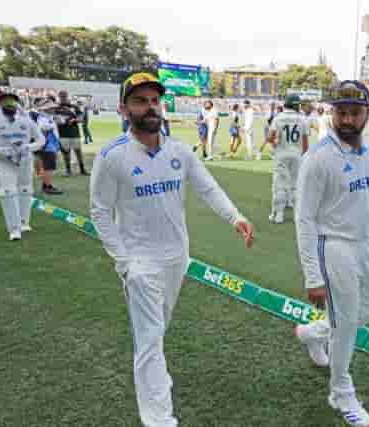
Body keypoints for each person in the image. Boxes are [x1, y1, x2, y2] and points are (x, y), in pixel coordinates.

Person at [90, 72, 254, 427]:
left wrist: (235, 217)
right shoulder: (112, 156)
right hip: (140, 263)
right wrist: (124, 263)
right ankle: (158, 418)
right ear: (123, 108)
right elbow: (100, 212)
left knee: (157, 330)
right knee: (149, 340)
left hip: (177, 257)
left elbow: (207, 187)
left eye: (154, 100)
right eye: (140, 101)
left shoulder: (178, 150)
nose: (150, 108)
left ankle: (156, 383)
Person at [294, 80, 369, 427]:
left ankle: (314, 333)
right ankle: (341, 392)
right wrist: (313, 277)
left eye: (355, 112)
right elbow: (304, 219)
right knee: (347, 322)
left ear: (367, 114)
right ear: (332, 113)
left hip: (366, 242)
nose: (348, 119)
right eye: (342, 112)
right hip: (334, 246)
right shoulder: (318, 159)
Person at [0, 92, 44, 240]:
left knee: (25, 189)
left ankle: (24, 222)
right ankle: (14, 229)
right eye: (5, 102)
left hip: (25, 160)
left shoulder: (27, 122)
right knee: (7, 191)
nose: (9, 105)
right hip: (3, 162)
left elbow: (41, 139)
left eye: (12, 102)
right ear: (0, 105)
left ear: (17, 104)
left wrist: (28, 147)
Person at [266, 94, 309, 224]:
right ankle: (297, 215)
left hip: (281, 153)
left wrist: (274, 142)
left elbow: (269, 137)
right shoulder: (302, 119)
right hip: (296, 154)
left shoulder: (278, 118)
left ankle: (278, 215)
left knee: (280, 184)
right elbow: (306, 144)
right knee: (296, 186)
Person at [29, 98, 64, 195]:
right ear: (46, 109)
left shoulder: (47, 117)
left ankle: (47, 185)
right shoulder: (43, 118)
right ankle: (47, 186)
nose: (53, 109)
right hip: (48, 145)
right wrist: (52, 125)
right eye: (51, 108)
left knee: (48, 167)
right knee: (49, 167)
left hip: (49, 145)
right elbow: (43, 129)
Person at [54, 90, 89, 176]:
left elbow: (81, 118)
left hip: (74, 133)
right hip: (63, 134)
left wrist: (74, 120)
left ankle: (82, 169)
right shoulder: (56, 108)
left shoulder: (74, 107)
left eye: (64, 96)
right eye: (61, 97)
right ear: (59, 97)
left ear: (67, 96)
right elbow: (53, 118)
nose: (63, 98)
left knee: (78, 152)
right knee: (66, 153)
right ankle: (68, 170)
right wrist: (58, 120)